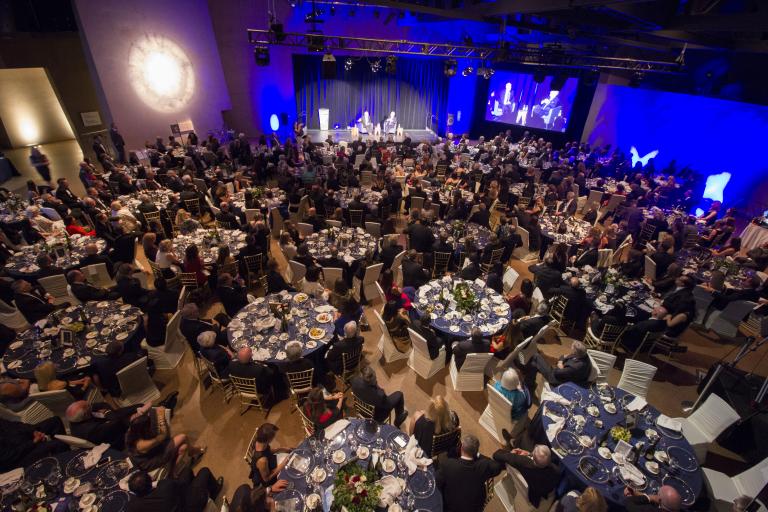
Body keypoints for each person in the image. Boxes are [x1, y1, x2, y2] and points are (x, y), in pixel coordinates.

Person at [125, 404, 203, 472]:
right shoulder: (141, 444)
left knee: (183, 447)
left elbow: (150, 404)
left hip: (149, 452)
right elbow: (163, 435)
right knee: (183, 437)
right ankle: (192, 451)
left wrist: (143, 411)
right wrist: (161, 417)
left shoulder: (131, 431)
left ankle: (172, 471)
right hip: (150, 461)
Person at [436, 434, 503, 512]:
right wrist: (477, 454)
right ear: (476, 451)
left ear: (461, 448)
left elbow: (436, 482)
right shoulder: (483, 467)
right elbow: (498, 466)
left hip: (449, 508)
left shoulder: (448, 464)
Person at [126, 466, 223, 512]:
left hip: (176, 500)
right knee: (204, 471)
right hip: (191, 505)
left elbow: (178, 484)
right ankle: (215, 490)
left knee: (186, 471)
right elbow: (176, 485)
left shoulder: (132, 506)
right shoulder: (165, 487)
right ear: (150, 482)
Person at [492, 445, 559, 508]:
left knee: (522, 442)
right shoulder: (556, 470)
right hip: (544, 490)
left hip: (533, 492)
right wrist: (528, 454)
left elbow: (496, 455)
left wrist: (511, 453)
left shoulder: (522, 461)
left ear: (533, 456)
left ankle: (512, 442)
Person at [0, 416, 67, 471]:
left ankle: (65, 454)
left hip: (23, 439)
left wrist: (33, 431)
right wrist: (33, 443)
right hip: (18, 458)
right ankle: (63, 467)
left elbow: (15, 425)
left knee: (55, 421)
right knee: (58, 444)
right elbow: (9, 456)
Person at [66, 400, 138, 450]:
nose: (91, 405)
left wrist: (109, 413)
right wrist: (107, 412)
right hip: (116, 439)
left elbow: (103, 404)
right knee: (140, 417)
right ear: (86, 414)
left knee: (138, 406)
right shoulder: (91, 429)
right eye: (89, 406)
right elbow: (115, 422)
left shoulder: (75, 417)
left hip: (110, 421)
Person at [248, 423, 292, 487]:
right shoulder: (262, 461)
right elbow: (266, 479)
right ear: (268, 440)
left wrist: (282, 448)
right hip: (267, 478)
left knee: (289, 455)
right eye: (273, 437)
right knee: (290, 473)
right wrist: (282, 464)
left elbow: (268, 451)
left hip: (269, 462)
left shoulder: (259, 441)